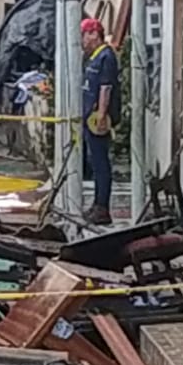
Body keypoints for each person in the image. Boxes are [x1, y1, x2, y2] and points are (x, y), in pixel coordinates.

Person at [81, 17, 120, 226]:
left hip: (97, 120)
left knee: (100, 163)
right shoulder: (93, 57)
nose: (83, 40)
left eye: (85, 35)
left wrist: (102, 116)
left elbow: (106, 87)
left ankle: (102, 208)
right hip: (89, 119)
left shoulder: (106, 57)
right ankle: (97, 204)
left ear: (94, 34)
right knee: (94, 163)